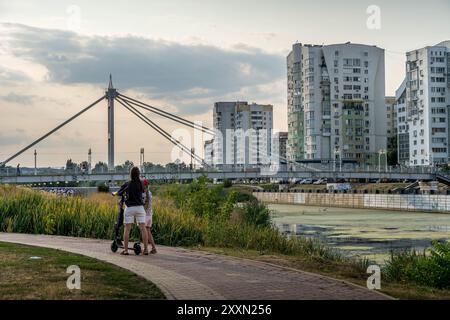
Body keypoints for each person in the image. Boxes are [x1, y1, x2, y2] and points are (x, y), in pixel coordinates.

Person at [117, 167, 149, 255]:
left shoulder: (127, 184)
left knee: (127, 229)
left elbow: (119, 193)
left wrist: (123, 193)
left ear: (130, 174)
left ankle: (126, 250)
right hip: (140, 208)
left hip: (130, 208)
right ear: (138, 174)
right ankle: (146, 250)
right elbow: (144, 191)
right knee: (143, 228)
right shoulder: (141, 184)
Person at [143, 179, 157, 254]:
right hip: (150, 215)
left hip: (145, 215)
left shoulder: (143, 194)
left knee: (144, 232)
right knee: (148, 232)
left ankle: (146, 249)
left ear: (144, 185)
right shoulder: (150, 193)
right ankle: (153, 248)